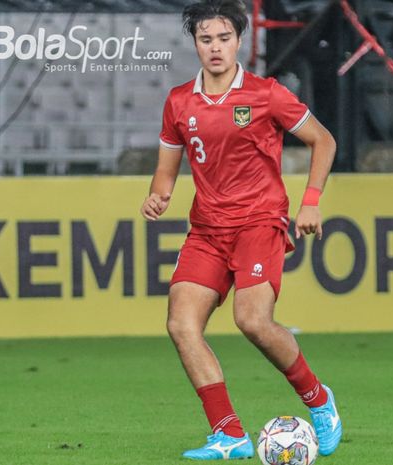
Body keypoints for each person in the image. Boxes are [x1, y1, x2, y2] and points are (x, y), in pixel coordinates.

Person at [139, 0, 342, 460]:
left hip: (258, 221)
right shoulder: (178, 101)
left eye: (224, 38)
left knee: (251, 320)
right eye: (206, 39)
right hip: (207, 230)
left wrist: (310, 203)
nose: (215, 47)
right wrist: (158, 195)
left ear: (239, 41)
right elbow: (166, 172)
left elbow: (323, 140)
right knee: (181, 324)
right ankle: (229, 434)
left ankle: (319, 400)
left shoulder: (266, 94)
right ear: (195, 43)